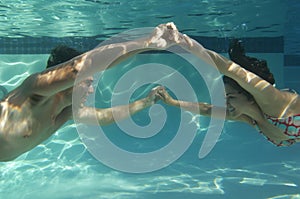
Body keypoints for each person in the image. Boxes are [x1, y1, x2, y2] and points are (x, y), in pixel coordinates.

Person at [0, 22, 184, 161]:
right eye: (87, 83)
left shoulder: (67, 111)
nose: (91, 90)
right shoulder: (34, 93)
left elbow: (103, 117)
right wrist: (147, 42)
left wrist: (147, 102)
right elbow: (77, 68)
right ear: (67, 81)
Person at [156, 33, 300, 147]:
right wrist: (172, 102)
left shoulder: (273, 101)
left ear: (250, 96)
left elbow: (231, 70)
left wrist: (182, 42)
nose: (226, 103)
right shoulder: (251, 118)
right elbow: (207, 110)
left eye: (230, 97)